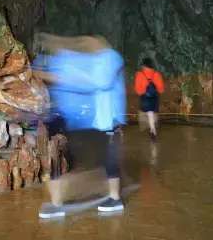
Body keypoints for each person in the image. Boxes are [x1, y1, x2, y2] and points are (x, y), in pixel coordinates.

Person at [34, 34, 126, 218]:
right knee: (70, 157)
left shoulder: (111, 58)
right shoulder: (86, 59)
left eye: (88, 42)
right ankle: (57, 202)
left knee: (108, 159)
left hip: (107, 118)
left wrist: (54, 76)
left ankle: (115, 198)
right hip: (85, 118)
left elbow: (97, 82)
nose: (84, 45)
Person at [134, 58, 165, 141]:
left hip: (145, 98)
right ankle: (152, 129)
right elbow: (161, 89)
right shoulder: (157, 74)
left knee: (149, 113)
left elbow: (138, 90)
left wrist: (144, 91)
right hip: (155, 98)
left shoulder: (140, 74)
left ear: (143, 65)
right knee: (152, 113)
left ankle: (153, 129)